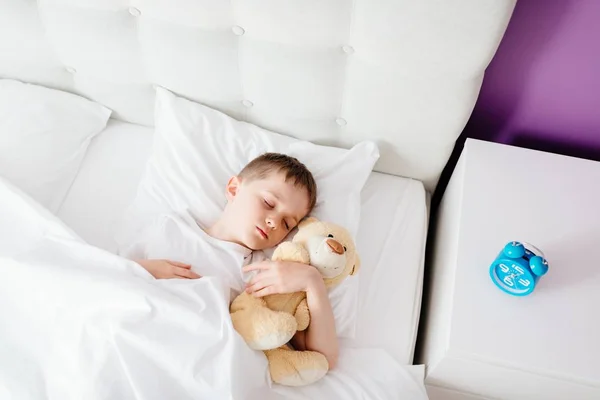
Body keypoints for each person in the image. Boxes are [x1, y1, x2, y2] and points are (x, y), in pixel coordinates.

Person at [134, 153, 339, 369]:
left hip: (185, 357)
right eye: (269, 203)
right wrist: (143, 269)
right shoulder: (170, 228)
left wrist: (312, 281)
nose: (273, 221)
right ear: (234, 189)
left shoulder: (263, 273)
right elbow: (108, 275)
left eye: (287, 224)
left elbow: (324, 357)